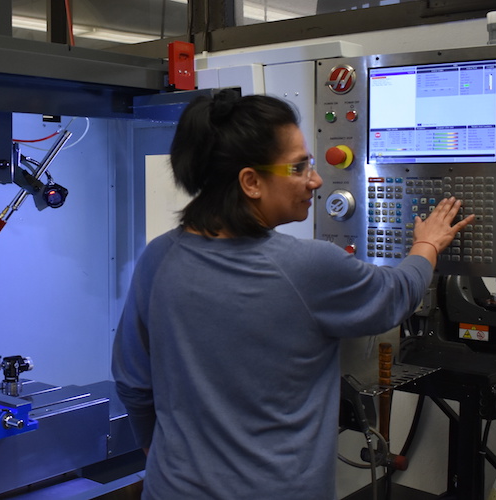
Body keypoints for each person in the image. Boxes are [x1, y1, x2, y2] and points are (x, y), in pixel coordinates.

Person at [111, 89, 473, 500]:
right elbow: (395, 295)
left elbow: (132, 382)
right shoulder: (307, 266)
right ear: (250, 181)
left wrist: (156, 449)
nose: (316, 180)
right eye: (299, 167)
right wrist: (426, 245)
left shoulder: (157, 257)